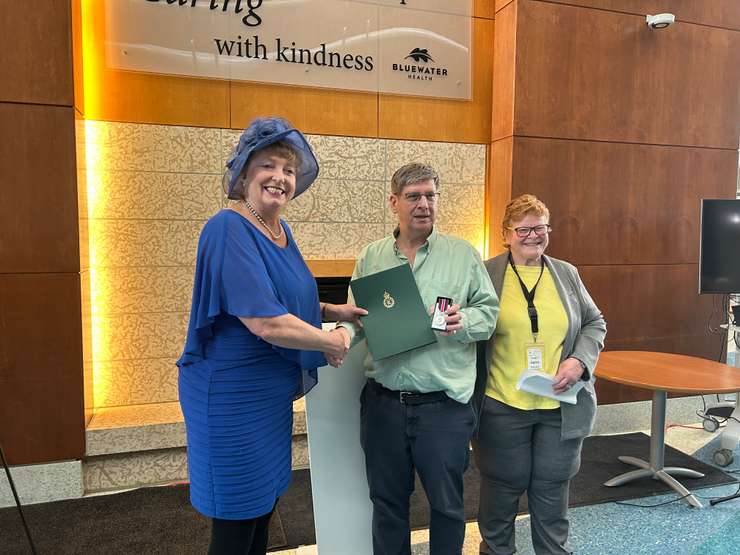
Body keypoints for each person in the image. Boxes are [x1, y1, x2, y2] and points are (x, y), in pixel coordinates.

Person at [176, 116, 366, 555]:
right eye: (268, 166)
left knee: (263, 507)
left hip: (266, 396)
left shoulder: (280, 230)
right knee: (237, 518)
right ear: (244, 173)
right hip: (230, 397)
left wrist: (329, 310)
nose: (280, 177)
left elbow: (279, 297)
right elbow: (265, 321)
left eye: (288, 169)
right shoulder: (227, 227)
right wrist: (330, 340)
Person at [334, 163, 499, 555]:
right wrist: (341, 335)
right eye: (413, 196)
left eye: (430, 195)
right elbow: (359, 319)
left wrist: (467, 319)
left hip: (443, 408)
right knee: (387, 506)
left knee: (446, 507)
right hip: (384, 405)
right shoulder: (371, 257)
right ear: (394, 202)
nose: (423, 204)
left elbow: (489, 314)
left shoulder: (462, 254)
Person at [471, 194, 606, 555]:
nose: (533, 235)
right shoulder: (485, 273)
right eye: (524, 229)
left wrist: (579, 361)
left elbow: (595, 323)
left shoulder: (566, 273)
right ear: (506, 234)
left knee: (552, 493)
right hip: (501, 405)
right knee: (500, 492)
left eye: (541, 227)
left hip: (558, 408)